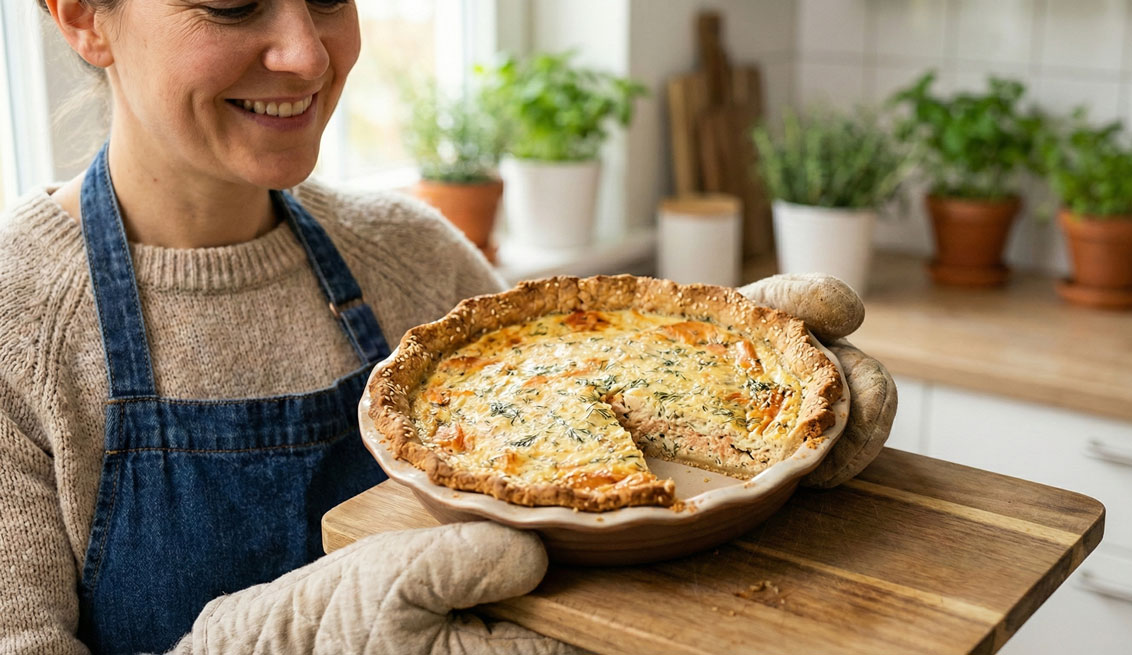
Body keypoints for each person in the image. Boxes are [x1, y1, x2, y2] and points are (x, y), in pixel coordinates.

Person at [0, 1, 897, 653]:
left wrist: (764, 420)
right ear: (83, 16)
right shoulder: (16, 319)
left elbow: (583, 507)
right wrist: (273, 641)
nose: (307, 54)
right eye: (235, 4)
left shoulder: (416, 256)